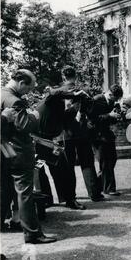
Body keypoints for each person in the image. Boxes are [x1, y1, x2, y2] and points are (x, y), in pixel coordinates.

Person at [0, 69, 56, 244]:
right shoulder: (15, 101)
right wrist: (34, 116)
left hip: (4, 150)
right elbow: (25, 126)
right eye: (29, 88)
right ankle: (32, 233)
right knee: (25, 193)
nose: (29, 92)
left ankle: (2, 224)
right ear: (21, 83)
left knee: (5, 191)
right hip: (19, 152)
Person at [35, 81, 89, 209]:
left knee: (64, 170)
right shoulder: (50, 99)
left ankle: (69, 200)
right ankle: (46, 200)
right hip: (37, 140)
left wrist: (75, 108)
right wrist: (73, 93)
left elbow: (63, 119)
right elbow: (54, 92)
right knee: (40, 171)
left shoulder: (59, 105)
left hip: (49, 141)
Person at [61, 66, 103, 202]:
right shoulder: (83, 92)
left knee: (68, 165)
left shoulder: (59, 92)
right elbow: (92, 110)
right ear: (76, 76)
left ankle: (70, 197)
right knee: (87, 163)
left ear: (63, 77)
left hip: (66, 133)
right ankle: (94, 194)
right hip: (82, 131)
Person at [88, 84, 123, 196]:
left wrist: (116, 116)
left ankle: (98, 186)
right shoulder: (97, 99)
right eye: (115, 98)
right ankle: (109, 189)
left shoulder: (112, 102)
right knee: (105, 162)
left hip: (107, 134)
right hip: (97, 135)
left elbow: (111, 120)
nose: (116, 100)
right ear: (110, 94)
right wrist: (109, 115)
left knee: (112, 159)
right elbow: (92, 119)